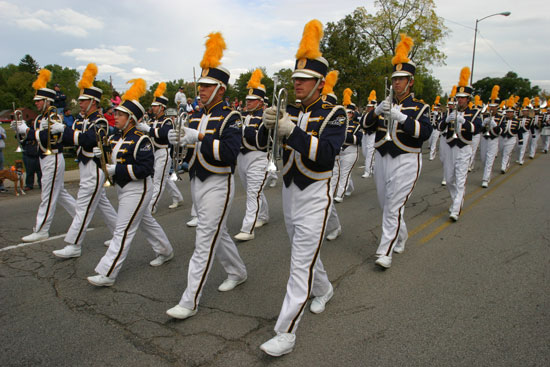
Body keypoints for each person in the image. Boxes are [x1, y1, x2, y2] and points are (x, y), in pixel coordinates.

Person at [257, 20, 347, 357]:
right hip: (290, 192)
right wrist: (267, 127)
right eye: (294, 78)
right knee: (304, 256)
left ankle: (286, 332)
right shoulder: (288, 108)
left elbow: (325, 155)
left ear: (320, 83)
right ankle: (324, 289)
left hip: (315, 195)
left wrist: (290, 130)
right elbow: (264, 144)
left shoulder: (335, 112)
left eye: (303, 79)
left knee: (298, 264)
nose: (296, 83)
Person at [166, 32, 247, 320]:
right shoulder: (195, 115)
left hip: (219, 182)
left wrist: (197, 136)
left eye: (206, 86)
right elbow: (191, 150)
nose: (200, 90)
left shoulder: (232, 117)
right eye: (200, 85)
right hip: (198, 181)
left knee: (204, 239)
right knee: (217, 233)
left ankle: (190, 301)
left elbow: (228, 152)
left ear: (220, 89)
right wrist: (181, 144)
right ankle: (237, 271)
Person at [87, 78, 174, 287]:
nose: (115, 117)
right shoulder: (116, 137)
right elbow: (110, 161)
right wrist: (98, 156)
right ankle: (166, 251)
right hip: (122, 188)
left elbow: (145, 170)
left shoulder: (141, 139)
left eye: (120, 114)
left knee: (123, 230)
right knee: (146, 222)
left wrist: (116, 169)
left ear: (131, 118)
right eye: (115, 113)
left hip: (138, 188)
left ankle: (108, 272)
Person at [361, 33, 432, 268]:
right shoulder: (385, 103)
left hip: (407, 159)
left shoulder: (420, 107)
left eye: (402, 79)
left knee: (392, 207)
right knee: (387, 205)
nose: (397, 83)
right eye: (395, 79)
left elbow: (425, 133)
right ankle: (401, 236)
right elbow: (365, 126)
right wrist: (375, 112)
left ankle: (384, 252)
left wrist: (401, 117)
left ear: (410, 81)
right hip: (383, 157)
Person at [52, 63, 118, 259]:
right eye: (80, 101)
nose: (80, 104)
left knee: (83, 206)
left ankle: (74, 245)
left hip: (95, 168)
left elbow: (89, 140)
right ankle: (118, 234)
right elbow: (73, 139)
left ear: (94, 102)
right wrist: (58, 130)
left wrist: (66, 131)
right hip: (84, 165)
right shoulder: (81, 120)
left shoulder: (100, 121)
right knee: (102, 204)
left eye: (84, 101)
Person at [12, 69, 76, 242]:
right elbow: (35, 136)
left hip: (53, 156)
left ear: (47, 101)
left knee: (47, 195)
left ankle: (41, 229)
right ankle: (81, 218)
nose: (37, 104)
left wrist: (27, 131)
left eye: (39, 101)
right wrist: (20, 131)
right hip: (44, 157)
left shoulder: (54, 115)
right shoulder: (41, 117)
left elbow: (49, 137)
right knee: (60, 193)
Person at [438, 67, 481, 222]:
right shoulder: (451, 112)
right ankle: (457, 200)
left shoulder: (475, 113)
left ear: (468, 99)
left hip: (464, 148)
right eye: (458, 97)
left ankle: (456, 209)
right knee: (449, 179)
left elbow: (477, 129)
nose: (460, 100)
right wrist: (446, 120)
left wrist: (465, 122)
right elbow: (439, 128)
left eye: (463, 98)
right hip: (450, 147)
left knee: (460, 179)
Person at [136, 82, 184, 213]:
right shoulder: (153, 120)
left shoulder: (167, 120)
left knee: (158, 181)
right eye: (152, 106)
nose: (153, 107)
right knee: (164, 178)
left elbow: (164, 134)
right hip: (154, 153)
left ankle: (151, 206)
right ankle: (178, 198)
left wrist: (149, 129)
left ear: (162, 107)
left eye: (155, 106)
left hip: (163, 152)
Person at [233, 69, 270, 241]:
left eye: (252, 100)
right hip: (241, 158)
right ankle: (263, 216)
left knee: (252, 193)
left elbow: (260, 142)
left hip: (258, 157)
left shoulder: (266, 118)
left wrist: (242, 129)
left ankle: (248, 229)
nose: (248, 102)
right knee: (254, 191)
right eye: (247, 100)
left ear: (261, 102)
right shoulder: (242, 116)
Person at [333, 88, 362, 202]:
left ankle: (339, 195)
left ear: (352, 114)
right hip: (339, 151)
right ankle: (349, 187)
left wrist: (343, 136)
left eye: (349, 112)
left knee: (344, 173)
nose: (347, 114)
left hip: (350, 151)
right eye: (345, 112)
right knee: (341, 173)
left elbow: (358, 140)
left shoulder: (356, 125)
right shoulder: (338, 123)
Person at [479, 85, 502, 188]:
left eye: (494, 106)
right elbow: (480, 130)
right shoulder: (485, 115)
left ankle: (485, 179)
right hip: (484, 139)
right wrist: (483, 124)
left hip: (493, 140)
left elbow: (500, 131)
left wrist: (494, 124)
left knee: (489, 159)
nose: (492, 108)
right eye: (491, 106)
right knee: (483, 159)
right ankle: (488, 174)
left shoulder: (501, 117)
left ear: (497, 107)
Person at [499, 96, 523, 174]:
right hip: (502, 138)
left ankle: (503, 167)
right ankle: (506, 164)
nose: (509, 113)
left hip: (511, 138)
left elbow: (519, 131)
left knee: (507, 153)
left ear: (513, 113)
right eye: (508, 112)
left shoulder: (518, 121)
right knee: (502, 152)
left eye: (510, 112)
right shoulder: (502, 120)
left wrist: (520, 141)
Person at [362, 90, 377, 177]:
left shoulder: (377, 115)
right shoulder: (366, 114)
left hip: (373, 134)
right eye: (368, 106)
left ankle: (367, 171)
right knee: (365, 152)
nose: (369, 108)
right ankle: (374, 168)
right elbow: (361, 123)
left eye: (370, 107)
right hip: (365, 134)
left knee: (369, 154)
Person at [516, 98, 533, 165]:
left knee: (523, 146)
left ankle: (521, 159)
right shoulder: (519, 118)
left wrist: (533, 133)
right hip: (519, 133)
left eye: (525, 111)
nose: (524, 112)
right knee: (518, 146)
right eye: (523, 111)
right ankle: (518, 158)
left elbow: (530, 127)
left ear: (528, 111)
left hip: (525, 133)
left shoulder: (530, 119)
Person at [428, 96, 442, 161]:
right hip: (431, 129)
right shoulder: (431, 113)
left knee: (433, 143)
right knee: (430, 142)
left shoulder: (440, 113)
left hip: (436, 129)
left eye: (437, 108)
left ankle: (431, 155)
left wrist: (436, 115)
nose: (436, 109)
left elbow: (440, 120)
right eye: (435, 108)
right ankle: (433, 152)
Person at [0, 123, 6, 192]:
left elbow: (5, 136)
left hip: (0, 150)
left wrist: (1, 135)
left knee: (1, 169)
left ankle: (1, 186)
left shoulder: (0, 128)